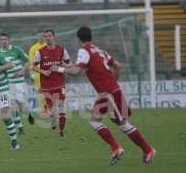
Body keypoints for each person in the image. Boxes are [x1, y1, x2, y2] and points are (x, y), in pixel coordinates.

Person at [52, 26, 155, 164]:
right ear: (90, 37)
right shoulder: (99, 50)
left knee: (120, 124)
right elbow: (118, 66)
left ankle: (144, 149)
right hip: (111, 92)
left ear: (78, 39)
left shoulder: (84, 50)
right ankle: (119, 148)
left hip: (109, 94)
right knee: (98, 121)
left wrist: (58, 69)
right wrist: (114, 82)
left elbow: (77, 71)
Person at [32, 29, 71, 137]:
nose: (47, 38)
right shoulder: (40, 52)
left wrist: (60, 67)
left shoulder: (62, 50)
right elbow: (33, 66)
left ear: (54, 36)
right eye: (46, 36)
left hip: (60, 84)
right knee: (53, 111)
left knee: (62, 106)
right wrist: (43, 71)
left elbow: (70, 64)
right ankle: (53, 120)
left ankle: (61, 132)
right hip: (47, 85)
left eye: (49, 36)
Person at [0, 33, 34, 135]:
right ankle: (20, 128)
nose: (3, 41)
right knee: (13, 106)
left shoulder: (16, 50)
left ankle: (28, 114)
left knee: (22, 105)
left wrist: (22, 71)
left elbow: (28, 61)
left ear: (8, 40)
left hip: (19, 83)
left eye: (5, 39)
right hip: (7, 83)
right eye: (1, 39)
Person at [28, 31, 46, 114]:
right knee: (39, 91)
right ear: (37, 37)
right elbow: (31, 62)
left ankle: (48, 107)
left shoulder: (47, 46)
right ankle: (43, 109)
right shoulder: (33, 48)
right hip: (37, 73)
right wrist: (32, 74)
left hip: (47, 72)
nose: (40, 38)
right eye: (39, 36)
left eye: (42, 36)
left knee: (48, 91)